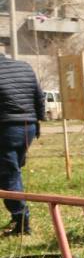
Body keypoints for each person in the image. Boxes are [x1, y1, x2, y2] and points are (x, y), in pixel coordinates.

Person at [0, 51, 44, 236]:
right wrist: (38, 121)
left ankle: (21, 221)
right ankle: (18, 217)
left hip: (6, 128)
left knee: (8, 175)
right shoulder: (24, 66)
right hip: (28, 127)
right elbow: (38, 96)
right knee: (13, 170)